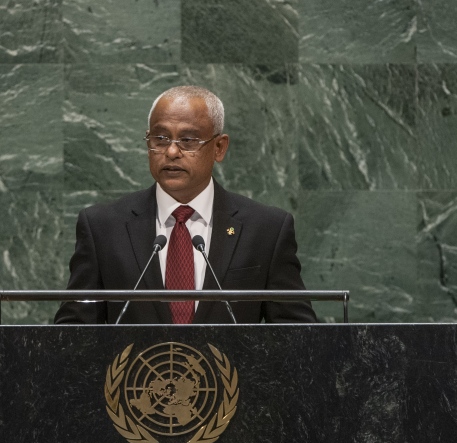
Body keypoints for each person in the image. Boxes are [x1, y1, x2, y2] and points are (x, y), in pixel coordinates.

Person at [54, 86, 317, 324]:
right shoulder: (103, 227)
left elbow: (298, 333)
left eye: (188, 141)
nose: (171, 152)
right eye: (160, 138)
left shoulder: (266, 229)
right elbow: (73, 332)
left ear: (219, 147)